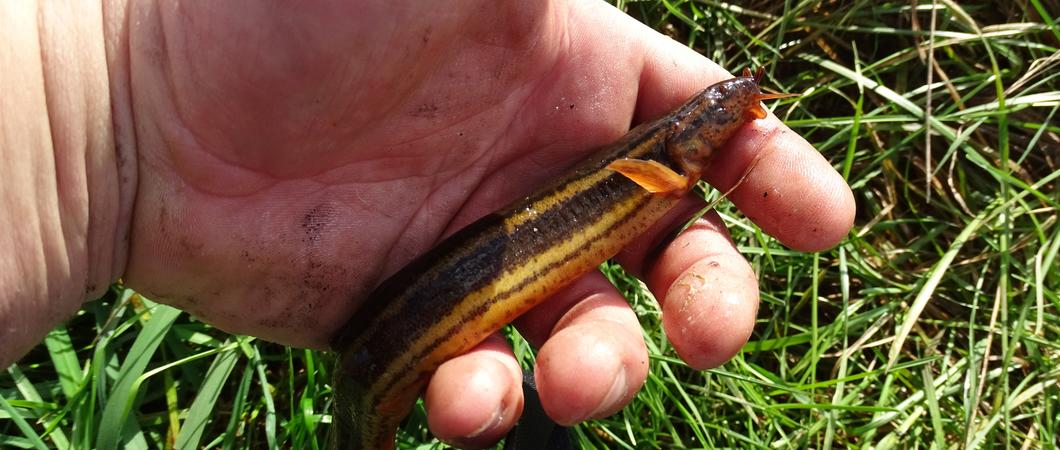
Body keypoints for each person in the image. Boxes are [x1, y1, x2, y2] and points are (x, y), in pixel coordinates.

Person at [1, 1, 855, 448]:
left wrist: (107, 101)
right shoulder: (656, 163)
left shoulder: (659, 164)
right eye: (715, 115)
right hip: (390, 346)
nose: (726, 112)